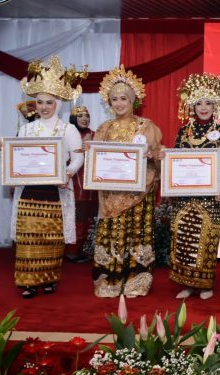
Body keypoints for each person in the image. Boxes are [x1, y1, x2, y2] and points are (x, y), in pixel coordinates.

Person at [9, 56, 86, 298]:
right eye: (40, 102)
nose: (44, 107)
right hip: (29, 193)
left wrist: (68, 173)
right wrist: (6, 150)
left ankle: (50, 279)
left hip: (55, 192)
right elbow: (18, 158)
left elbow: (78, 158)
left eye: (49, 102)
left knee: (52, 240)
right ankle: (28, 282)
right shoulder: (26, 129)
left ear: (58, 104)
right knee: (28, 239)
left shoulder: (68, 129)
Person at [90, 65, 163, 298]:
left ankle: (136, 280)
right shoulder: (104, 129)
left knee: (136, 234)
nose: (119, 103)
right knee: (112, 234)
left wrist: (152, 155)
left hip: (138, 194)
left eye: (123, 98)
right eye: (114, 99)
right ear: (108, 102)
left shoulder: (146, 126)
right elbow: (97, 162)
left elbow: (159, 157)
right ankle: (110, 280)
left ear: (133, 100)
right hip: (111, 195)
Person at [167, 73, 220, 300]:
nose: (203, 108)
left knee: (206, 240)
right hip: (185, 196)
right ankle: (187, 284)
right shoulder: (183, 132)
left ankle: (205, 285)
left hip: (212, 197)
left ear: (215, 105)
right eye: (199, 103)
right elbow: (175, 162)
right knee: (185, 239)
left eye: (208, 103)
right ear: (192, 106)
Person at [66, 106, 96, 263]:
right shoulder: (68, 134)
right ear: (73, 119)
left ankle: (86, 250)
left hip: (92, 185)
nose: (85, 118)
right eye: (80, 116)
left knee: (89, 218)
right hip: (73, 183)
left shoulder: (95, 135)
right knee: (75, 218)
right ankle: (71, 251)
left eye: (87, 115)